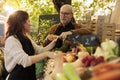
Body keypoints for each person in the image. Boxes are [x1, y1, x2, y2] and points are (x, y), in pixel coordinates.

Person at [4, 10, 59, 80]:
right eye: (28, 21)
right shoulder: (12, 40)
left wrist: (54, 41)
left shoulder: (26, 38)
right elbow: (25, 61)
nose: (30, 24)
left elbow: (40, 50)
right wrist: (46, 54)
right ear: (21, 23)